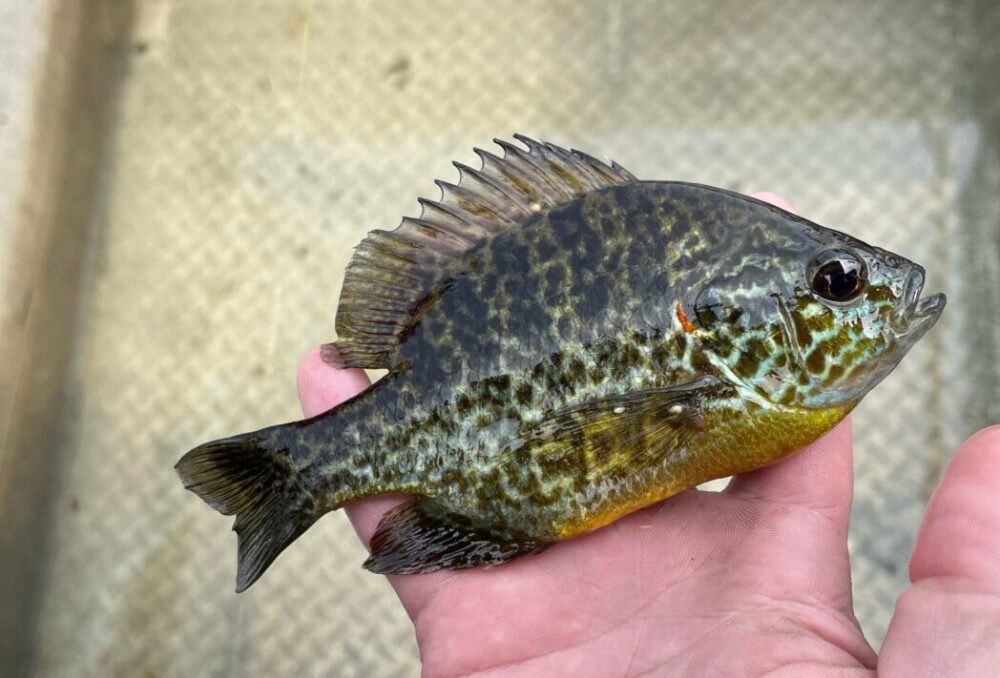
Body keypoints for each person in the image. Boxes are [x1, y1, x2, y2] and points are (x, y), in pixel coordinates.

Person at [297, 193, 998, 676]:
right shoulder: (729, 388)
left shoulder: (749, 395)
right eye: (838, 283)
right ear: (719, 315)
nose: (881, 291)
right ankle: (290, 477)